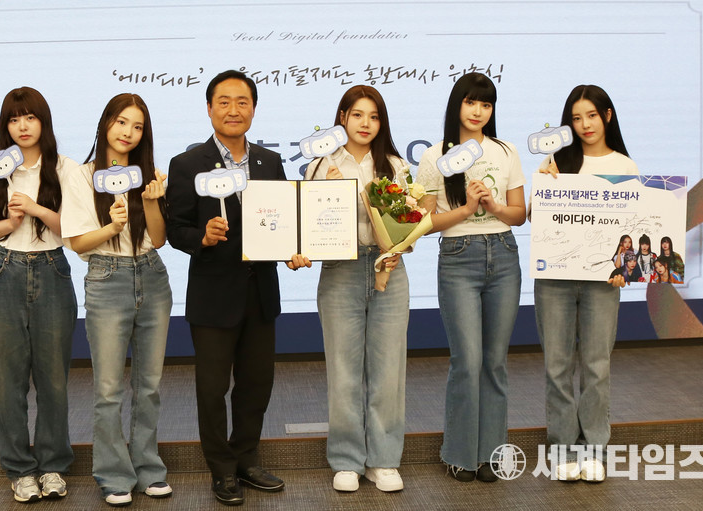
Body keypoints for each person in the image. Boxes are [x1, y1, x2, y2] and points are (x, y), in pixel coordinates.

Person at [166, 70, 310, 507]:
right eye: (224, 102)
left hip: (261, 292)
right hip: (214, 294)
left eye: (242, 101)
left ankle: (247, 458)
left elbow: (281, 221)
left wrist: (293, 251)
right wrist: (203, 237)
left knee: (256, 384)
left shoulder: (270, 161)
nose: (234, 110)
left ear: (254, 108)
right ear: (210, 108)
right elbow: (176, 229)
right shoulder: (187, 164)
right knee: (212, 389)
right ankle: (221, 468)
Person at [60, 93, 172, 507]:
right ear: (106, 122)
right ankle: (113, 474)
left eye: (137, 126)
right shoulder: (82, 175)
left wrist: (151, 200)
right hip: (106, 277)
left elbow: (158, 238)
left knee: (150, 384)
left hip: (152, 274)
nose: (128, 132)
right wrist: (111, 226)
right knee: (108, 388)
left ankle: (148, 468)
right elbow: (76, 242)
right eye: (122, 122)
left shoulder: (147, 174)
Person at [0, 86, 77, 503]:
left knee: (53, 379)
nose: (23, 126)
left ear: (43, 121)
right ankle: (19, 469)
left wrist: (35, 209)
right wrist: (8, 224)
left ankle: (52, 465)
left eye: (30, 117)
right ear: (5, 126)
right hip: (3, 270)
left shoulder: (64, 167)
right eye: (14, 119)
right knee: (8, 380)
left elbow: (75, 228)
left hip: (52, 268)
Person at [416, 72, 526, 483]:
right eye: (471, 102)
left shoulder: (506, 151)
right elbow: (425, 222)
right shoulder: (435, 156)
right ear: (456, 105)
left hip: (504, 254)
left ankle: (491, 454)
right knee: (467, 361)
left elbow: (519, 214)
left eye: (486, 104)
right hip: (458, 258)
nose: (478, 111)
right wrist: (465, 209)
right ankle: (460, 453)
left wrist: (493, 206)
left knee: (494, 362)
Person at [305, 85, 409, 493]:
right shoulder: (321, 164)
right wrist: (326, 193)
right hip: (340, 270)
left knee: (388, 370)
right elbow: (309, 226)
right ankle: (347, 459)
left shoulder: (395, 166)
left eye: (374, 116)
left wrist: (400, 245)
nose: (366, 123)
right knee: (344, 370)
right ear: (342, 117)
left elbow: (409, 223)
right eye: (358, 114)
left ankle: (383, 460)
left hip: (389, 270)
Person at [533, 84, 637, 483]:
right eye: (576, 118)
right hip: (555, 280)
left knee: (596, 365)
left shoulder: (625, 166)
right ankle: (562, 448)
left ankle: (595, 449)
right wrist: (544, 184)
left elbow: (631, 228)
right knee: (557, 366)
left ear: (607, 116)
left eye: (591, 115)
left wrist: (626, 269)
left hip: (601, 282)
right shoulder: (556, 161)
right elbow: (535, 217)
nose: (585, 125)